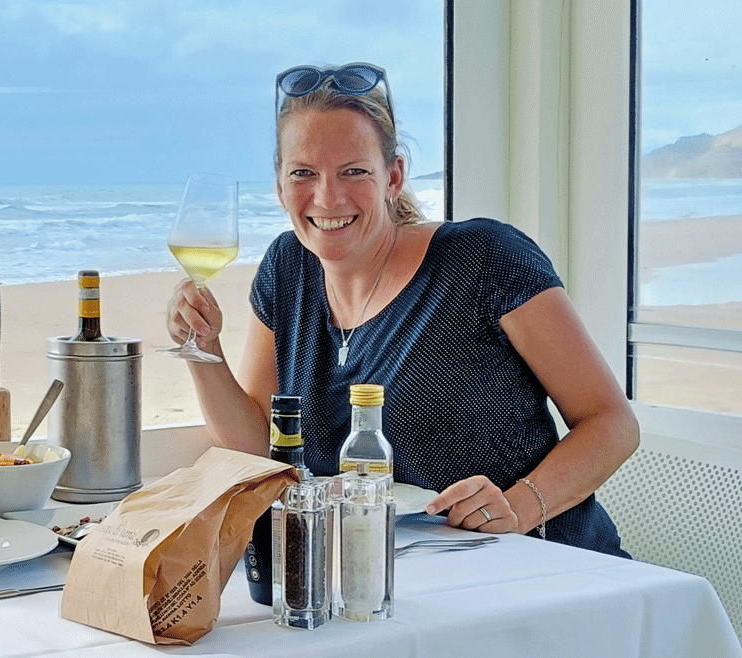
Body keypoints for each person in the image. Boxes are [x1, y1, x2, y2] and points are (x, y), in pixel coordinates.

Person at [167, 62, 638, 556]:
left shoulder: (486, 258)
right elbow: (260, 449)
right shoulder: (287, 268)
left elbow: (611, 423)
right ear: (281, 185)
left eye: (354, 171)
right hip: (385, 578)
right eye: (303, 173)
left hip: (545, 567)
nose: (327, 197)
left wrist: (521, 506)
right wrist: (205, 351)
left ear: (393, 176)